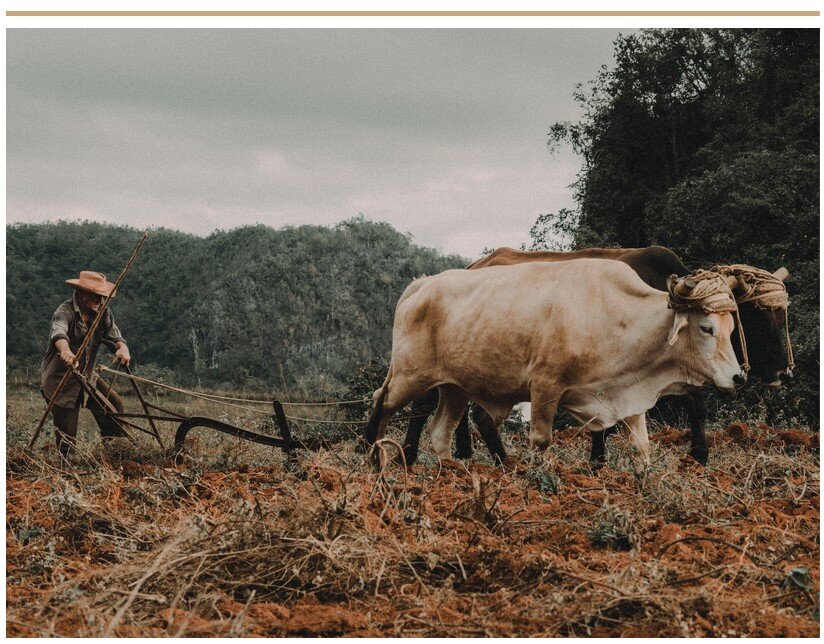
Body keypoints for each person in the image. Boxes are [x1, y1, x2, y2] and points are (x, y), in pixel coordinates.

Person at [40, 271, 132, 457]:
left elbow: (114, 334)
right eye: (95, 295)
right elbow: (59, 333)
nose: (99, 299)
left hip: (87, 377)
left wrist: (123, 348)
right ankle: (65, 471)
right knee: (67, 441)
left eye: (102, 296)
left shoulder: (101, 312)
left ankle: (114, 453)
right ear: (82, 294)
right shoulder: (64, 312)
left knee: (114, 406)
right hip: (61, 382)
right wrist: (65, 351)